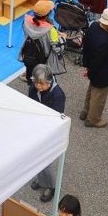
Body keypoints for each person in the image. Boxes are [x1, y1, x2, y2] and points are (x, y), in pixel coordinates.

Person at [26, 63, 65, 203]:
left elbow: (57, 117)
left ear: (49, 82)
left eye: (41, 84)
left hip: (49, 132)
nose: (38, 86)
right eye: (36, 83)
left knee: (45, 162)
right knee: (36, 157)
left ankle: (51, 186)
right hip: (36, 128)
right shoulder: (33, 88)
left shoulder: (58, 94)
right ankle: (41, 180)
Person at [80, 7, 108, 128]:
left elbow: (86, 47)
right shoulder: (103, 41)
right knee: (99, 97)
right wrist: (91, 70)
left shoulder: (94, 26)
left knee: (91, 92)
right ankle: (93, 119)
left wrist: (87, 68)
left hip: (93, 70)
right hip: (102, 74)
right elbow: (98, 62)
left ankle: (85, 112)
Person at [20, 0, 57, 83]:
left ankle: (29, 81)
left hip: (28, 54)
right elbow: (57, 48)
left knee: (30, 77)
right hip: (43, 60)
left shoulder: (26, 21)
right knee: (41, 81)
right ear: (48, 14)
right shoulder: (51, 30)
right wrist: (63, 38)